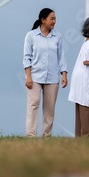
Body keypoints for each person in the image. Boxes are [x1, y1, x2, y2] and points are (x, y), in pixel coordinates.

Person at [22, 8, 68, 137]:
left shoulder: (57, 36)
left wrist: (64, 74)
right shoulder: (31, 36)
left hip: (53, 78)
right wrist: (28, 77)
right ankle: (30, 136)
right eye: (51, 19)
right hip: (35, 77)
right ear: (43, 20)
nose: (54, 21)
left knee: (49, 109)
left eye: (55, 18)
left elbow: (61, 57)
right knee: (33, 104)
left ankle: (46, 137)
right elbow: (27, 57)